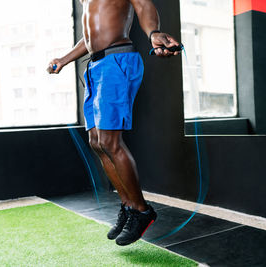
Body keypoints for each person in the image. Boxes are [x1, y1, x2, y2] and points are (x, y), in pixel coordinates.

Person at [47, 0, 180, 246]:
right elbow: (90, 37)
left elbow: (142, 5)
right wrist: (64, 60)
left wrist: (153, 32)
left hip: (116, 61)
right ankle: (128, 206)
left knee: (110, 141)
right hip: (96, 65)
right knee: (97, 142)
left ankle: (142, 211)